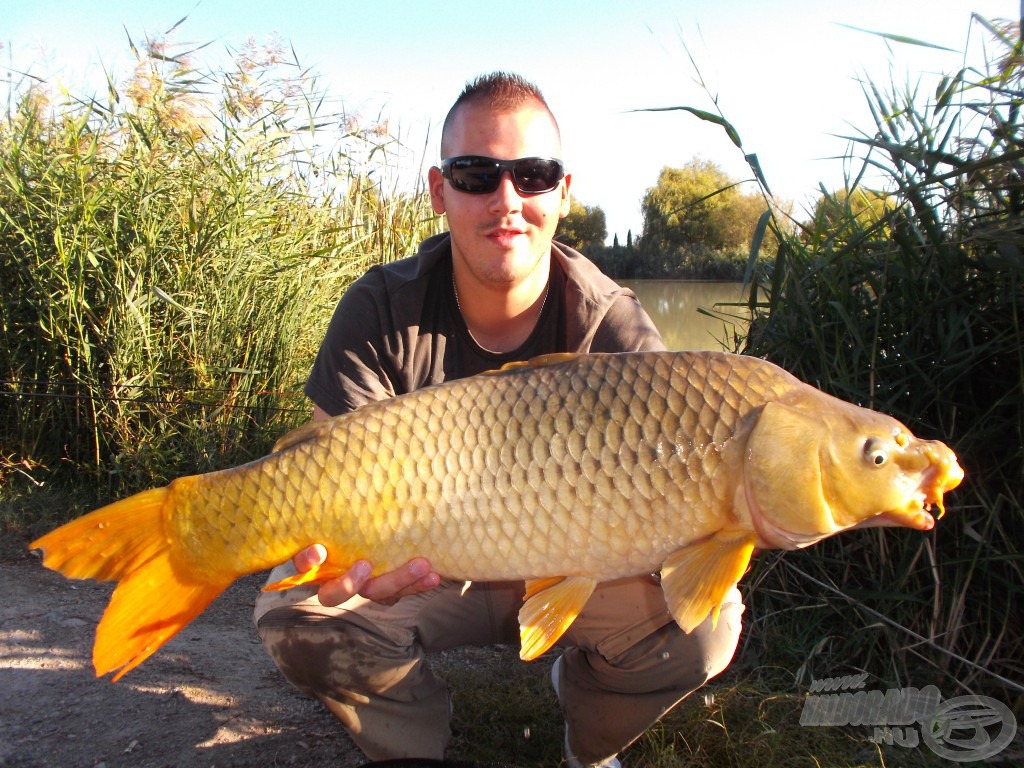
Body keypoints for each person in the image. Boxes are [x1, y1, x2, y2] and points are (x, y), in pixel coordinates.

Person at [254, 71, 743, 767]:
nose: (506, 200)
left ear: (563, 192)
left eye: (533, 174)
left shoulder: (613, 324)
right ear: (438, 191)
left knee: (706, 625)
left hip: (579, 568)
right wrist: (353, 559)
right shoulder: (379, 309)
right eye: (476, 174)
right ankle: (411, 744)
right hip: (423, 566)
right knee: (295, 614)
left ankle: (592, 736)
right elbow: (326, 478)